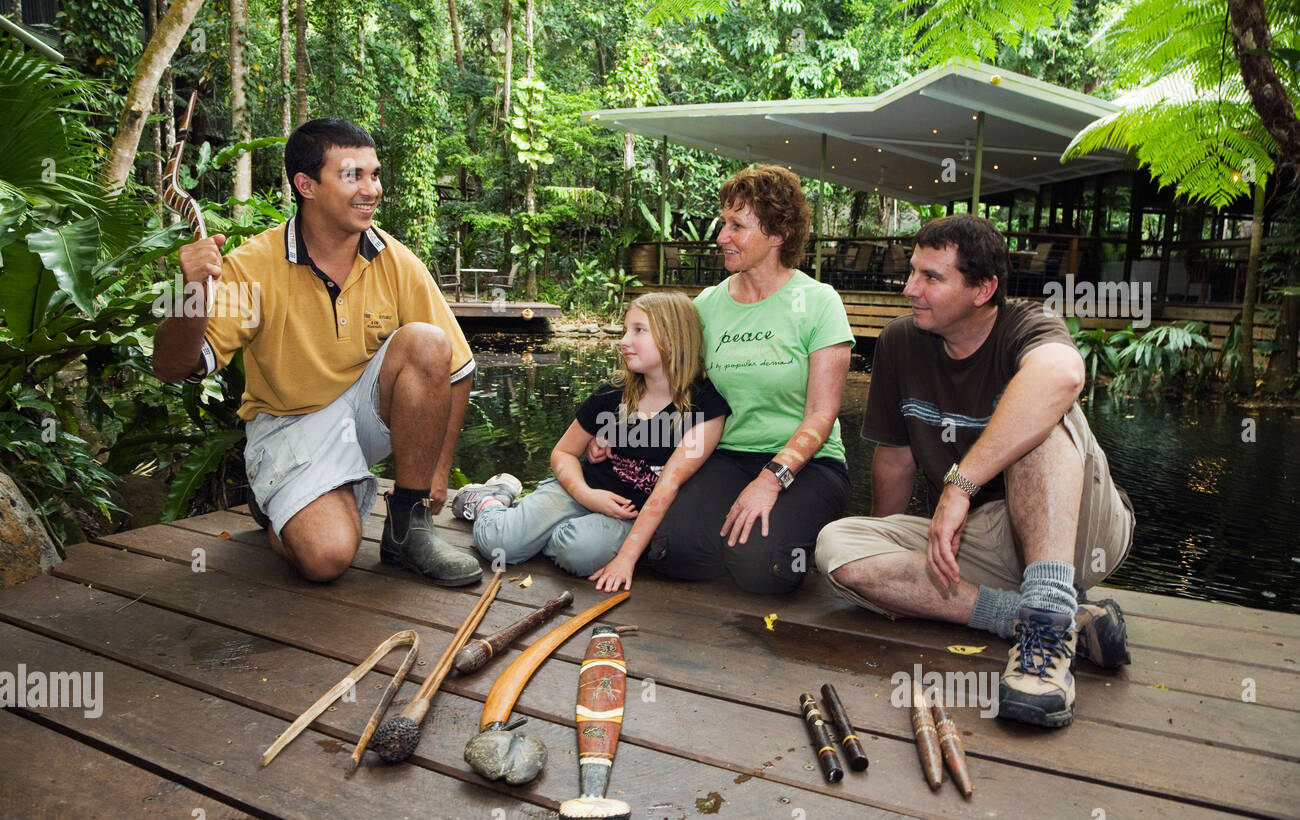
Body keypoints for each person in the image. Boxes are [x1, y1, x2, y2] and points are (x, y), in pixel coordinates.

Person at [815, 214, 1136, 729]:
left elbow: (1064, 374)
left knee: (1039, 424)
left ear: (984, 288)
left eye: (931, 278)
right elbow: (895, 459)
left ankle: (1046, 640)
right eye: (912, 272)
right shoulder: (901, 342)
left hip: (1079, 526)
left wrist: (959, 485)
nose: (909, 289)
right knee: (836, 547)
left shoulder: (1026, 324)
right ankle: (1034, 618)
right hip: (984, 545)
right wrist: (887, 551)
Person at [153, 118, 481, 587]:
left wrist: (438, 471)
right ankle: (279, 505)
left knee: (428, 342)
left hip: (363, 417)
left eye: (375, 174)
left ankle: (408, 527)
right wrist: (192, 293)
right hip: (291, 424)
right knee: (327, 560)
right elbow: (172, 367)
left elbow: (458, 369)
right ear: (305, 184)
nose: (372, 189)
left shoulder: (395, 258)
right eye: (354, 175)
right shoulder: (252, 264)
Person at [631, 165, 854, 594]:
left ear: (778, 233)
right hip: (727, 455)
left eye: (737, 225)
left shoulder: (819, 302)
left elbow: (822, 414)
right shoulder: (708, 306)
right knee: (668, 551)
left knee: (763, 568)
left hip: (808, 464)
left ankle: (776, 542)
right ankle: (739, 544)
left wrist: (770, 480)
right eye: (723, 223)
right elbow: (670, 385)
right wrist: (619, 431)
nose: (721, 237)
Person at [452, 293, 729, 590]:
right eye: (625, 330)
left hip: (628, 515)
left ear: (673, 339)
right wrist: (586, 495)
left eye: (638, 330)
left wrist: (626, 559)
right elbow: (564, 452)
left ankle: (537, 530)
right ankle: (490, 500)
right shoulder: (612, 393)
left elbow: (668, 486)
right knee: (500, 544)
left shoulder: (704, 407)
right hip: (579, 490)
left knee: (579, 555)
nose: (623, 340)